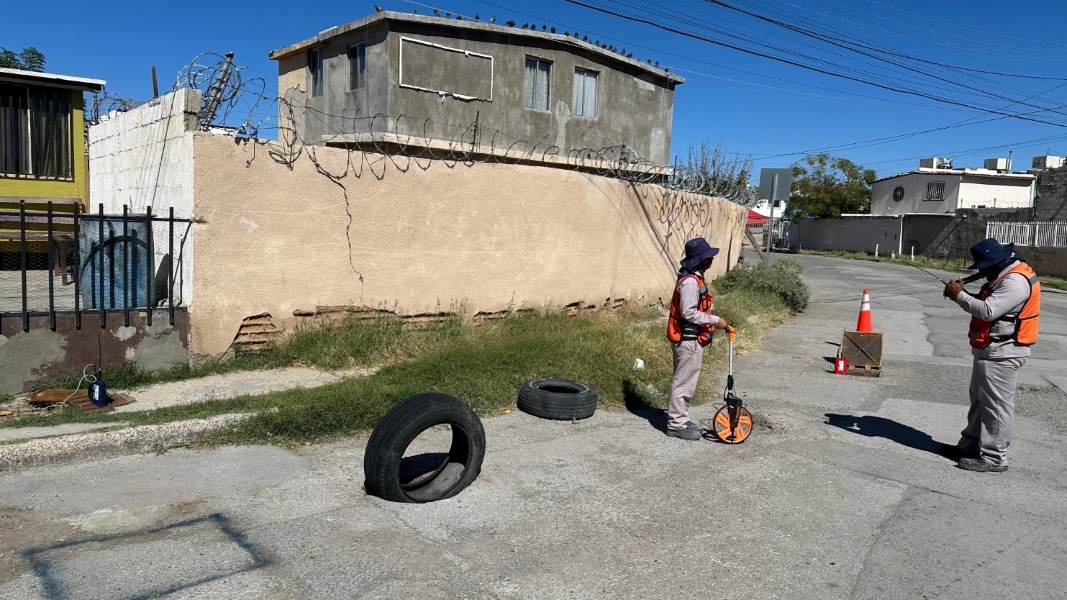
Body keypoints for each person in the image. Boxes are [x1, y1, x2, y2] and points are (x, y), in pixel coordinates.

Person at [943, 238, 1041, 473]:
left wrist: (960, 296)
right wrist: (964, 292)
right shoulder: (1006, 273)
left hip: (1003, 352)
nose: (983, 271)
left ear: (996, 262)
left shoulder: (1016, 281)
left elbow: (988, 310)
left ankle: (995, 457)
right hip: (991, 349)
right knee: (980, 401)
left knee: (996, 406)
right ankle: (970, 446)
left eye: (985, 267)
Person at [665, 237, 729, 441]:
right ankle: (676, 425)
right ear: (700, 259)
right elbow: (688, 313)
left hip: (690, 340)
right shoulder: (691, 282)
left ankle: (680, 419)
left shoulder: (693, 277)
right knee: (683, 383)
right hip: (687, 340)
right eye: (708, 256)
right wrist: (715, 319)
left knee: (686, 382)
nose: (711, 259)